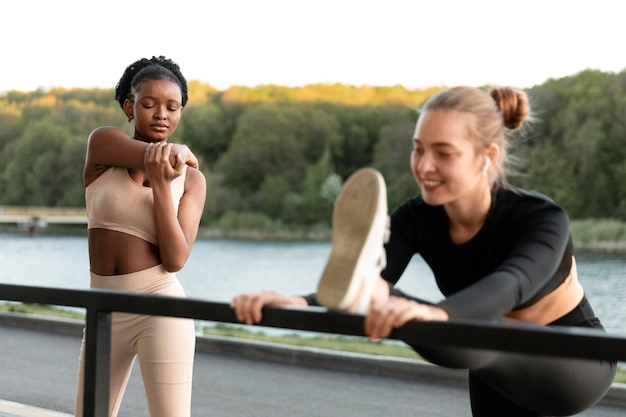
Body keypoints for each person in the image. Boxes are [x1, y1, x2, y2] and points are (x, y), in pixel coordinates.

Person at [231, 86, 617, 417]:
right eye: (418, 150)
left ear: (489, 156)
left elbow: (511, 283)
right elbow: (367, 283)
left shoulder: (541, 218)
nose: (425, 166)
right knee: (386, 299)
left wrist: (435, 313)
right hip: (481, 349)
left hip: (574, 356)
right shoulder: (417, 217)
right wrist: (295, 302)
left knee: (416, 313)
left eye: (443, 153)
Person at [74, 56, 206, 417]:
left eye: (172, 107)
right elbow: (151, 157)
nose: (162, 114)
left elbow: (176, 259)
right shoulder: (104, 146)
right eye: (149, 105)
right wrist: (171, 156)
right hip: (103, 310)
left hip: (161, 307)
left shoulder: (192, 181)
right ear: (130, 107)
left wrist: (165, 188)